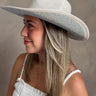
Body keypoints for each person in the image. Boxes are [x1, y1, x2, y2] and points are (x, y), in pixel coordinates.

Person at [0, 0, 89, 96]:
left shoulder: (73, 82)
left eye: (30, 25)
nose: (22, 32)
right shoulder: (21, 62)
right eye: (24, 24)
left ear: (51, 32)